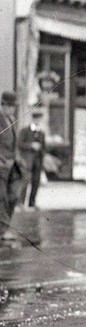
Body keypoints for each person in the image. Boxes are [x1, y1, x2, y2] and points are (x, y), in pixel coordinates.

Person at [0, 91, 22, 241]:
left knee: (14, 196)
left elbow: (14, 143)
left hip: (12, 166)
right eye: (11, 106)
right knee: (1, 198)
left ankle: (4, 228)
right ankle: (2, 231)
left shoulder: (11, 119)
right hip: (1, 165)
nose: (13, 109)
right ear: (4, 105)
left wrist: (17, 158)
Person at [18, 108, 46, 209]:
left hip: (37, 161)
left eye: (39, 119)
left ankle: (32, 202)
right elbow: (19, 144)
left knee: (36, 182)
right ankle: (21, 203)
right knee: (25, 181)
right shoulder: (25, 131)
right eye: (36, 119)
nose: (38, 121)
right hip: (27, 161)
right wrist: (31, 145)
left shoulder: (42, 133)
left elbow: (43, 148)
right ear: (32, 119)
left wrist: (42, 161)